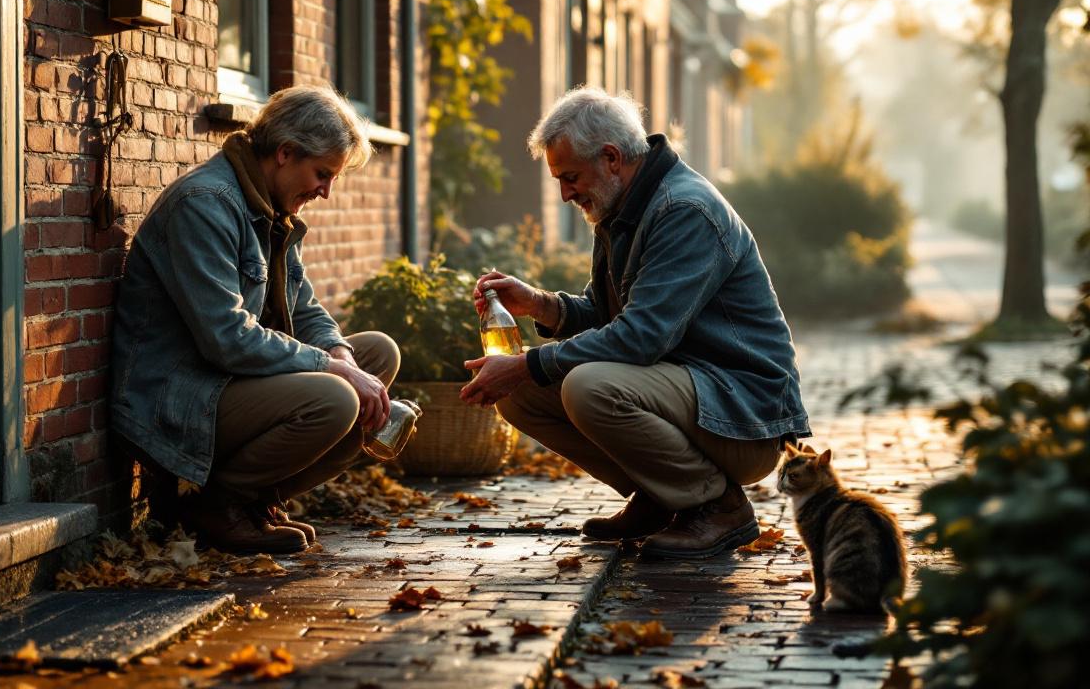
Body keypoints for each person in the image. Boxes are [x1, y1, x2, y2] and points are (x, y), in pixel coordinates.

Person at [461, 87, 810, 559]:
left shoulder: (683, 210)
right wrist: (539, 305)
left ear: (610, 158)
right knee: (521, 394)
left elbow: (640, 338)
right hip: (691, 393)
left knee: (589, 387)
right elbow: (609, 316)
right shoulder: (623, 206)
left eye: (569, 177)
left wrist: (528, 363)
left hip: (742, 413)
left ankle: (718, 507)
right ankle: (666, 497)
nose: (565, 194)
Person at [110, 85, 399, 555]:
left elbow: (303, 307)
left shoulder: (270, 207)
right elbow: (227, 338)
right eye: (322, 174)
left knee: (376, 356)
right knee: (337, 399)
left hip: (227, 382)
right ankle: (217, 505)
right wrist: (334, 370)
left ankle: (256, 502)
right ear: (285, 153)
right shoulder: (204, 205)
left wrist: (342, 354)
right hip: (177, 397)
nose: (325, 192)